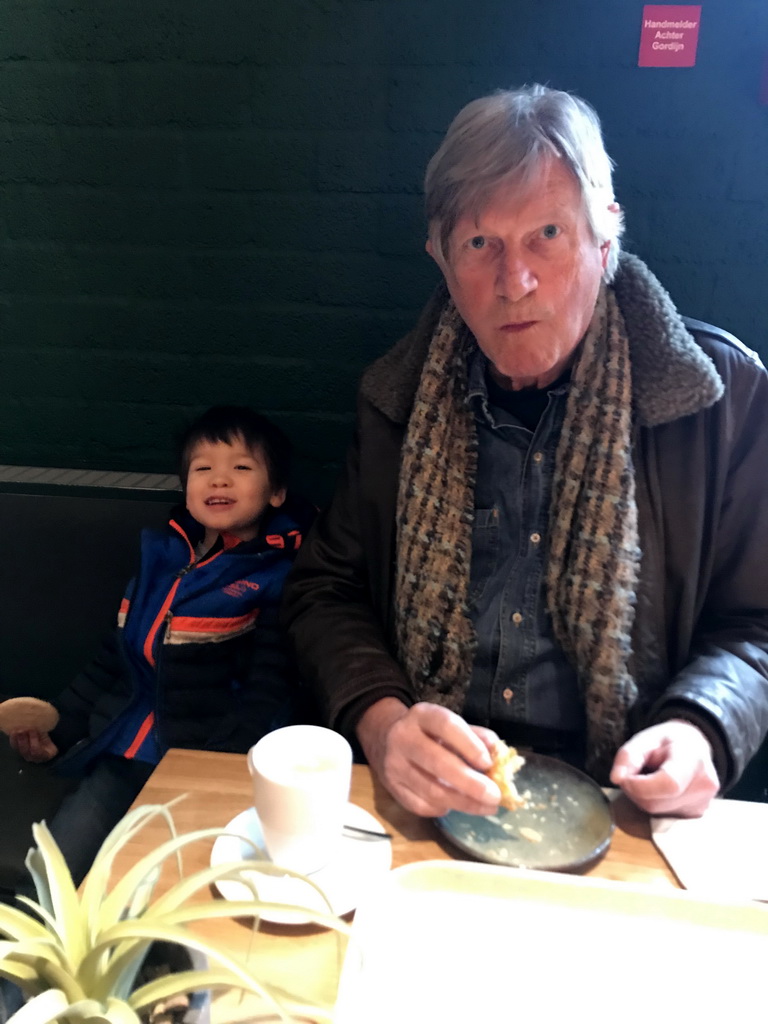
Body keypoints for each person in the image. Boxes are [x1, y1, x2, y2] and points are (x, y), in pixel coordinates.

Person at [283, 85, 768, 821]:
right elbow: (325, 593)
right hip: (433, 805)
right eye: (481, 245)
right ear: (441, 261)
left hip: (626, 810)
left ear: (605, 241)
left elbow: (757, 624)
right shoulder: (397, 398)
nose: (516, 283)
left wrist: (703, 726)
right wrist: (382, 727)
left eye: (547, 233)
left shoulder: (719, 398)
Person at [6, 405, 315, 888]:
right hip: (123, 756)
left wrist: (224, 762)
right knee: (50, 877)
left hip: (203, 764)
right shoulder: (160, 561)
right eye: (203, 469)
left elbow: (272, 685)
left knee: (151, 890)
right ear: (185, 487)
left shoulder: (278, 575)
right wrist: (59, 727)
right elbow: (115, 656)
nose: (219, 480)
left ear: (276, 492)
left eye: (240, 467)